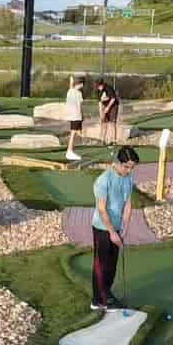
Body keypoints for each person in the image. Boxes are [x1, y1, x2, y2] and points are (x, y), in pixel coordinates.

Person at [91, 146, 140, 311]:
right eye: (126, 166)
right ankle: (98, 300)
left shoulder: (128, 178)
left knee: (112, 264)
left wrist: (124, 228)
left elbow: (128, 204)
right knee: (101, 264)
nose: (129, 170)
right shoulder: (103, 180)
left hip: (117, 227)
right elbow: (102, 209)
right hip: (102, 227)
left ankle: (107, 293)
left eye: (132, 167)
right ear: (118, 162)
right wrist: (112, 232)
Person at [65, 76, 86, 161]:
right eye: (83, 84)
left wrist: (71, 81)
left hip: (71, 115)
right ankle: (69, 151)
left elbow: (71, 87)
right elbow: (80, 106)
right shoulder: (78, 93)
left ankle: (71, 150)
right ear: (80, 84)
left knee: (75, 132)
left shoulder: (70, 91)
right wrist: (82, 116)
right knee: (73, 133)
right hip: (76, 115)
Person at [95, 80, 120, 145]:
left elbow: (113, 99)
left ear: (102, 85)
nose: (98, 88)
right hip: (105, 105)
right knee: (103, 123)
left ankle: (113, 140)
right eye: (97, 86)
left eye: (99, 86)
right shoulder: (98, 90)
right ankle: (102, 140)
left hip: (113, 106)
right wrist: (101, 114)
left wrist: (108, 108)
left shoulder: (108, 88)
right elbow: (100, 102)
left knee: (112, 123)